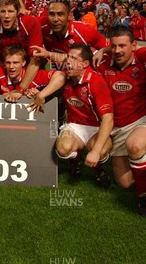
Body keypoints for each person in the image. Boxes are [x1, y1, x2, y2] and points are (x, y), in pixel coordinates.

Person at [96, 28, 146, 215]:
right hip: (116, 128)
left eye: (123, 45)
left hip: (141, 121)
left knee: (136, 145)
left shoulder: (145, 60)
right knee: (125, 183)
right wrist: (102, 51)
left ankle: (145, 198)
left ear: (134, 46)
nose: (118, 50)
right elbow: (75, 59)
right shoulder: (102, 64)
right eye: (113, 46)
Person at [54, 44, 114, 187]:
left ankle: (99, 169)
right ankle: (76, 161)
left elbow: (108, 118)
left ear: (85, 64)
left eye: (74, 58)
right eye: (68, 57)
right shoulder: (65, 77)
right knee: (62, 150)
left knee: (100, 151)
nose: (68, 61)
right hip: (74, 126)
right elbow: (44, 79)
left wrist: (95, 151)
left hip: (97, 127)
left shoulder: (96, 81)